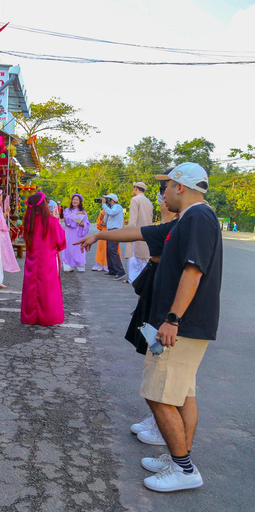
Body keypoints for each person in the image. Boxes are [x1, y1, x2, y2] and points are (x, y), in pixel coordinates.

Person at [76, 162, 222, 492]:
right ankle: (178, 458)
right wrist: (98, 234)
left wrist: (172, 319)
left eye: (167, 186)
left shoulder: (198, 218)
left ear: (180, 187)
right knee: (182, 394)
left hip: (181, 326)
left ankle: (184, 469)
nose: (164, 193)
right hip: (186, 325)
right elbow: (138, 233)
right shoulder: (185, 221)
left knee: (158, 395)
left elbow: (193, 271)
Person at [126, 175, 178, 447]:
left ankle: (163, 425)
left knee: (163, 368)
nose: (161, 199)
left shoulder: (178, 225)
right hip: (155, 288)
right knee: (152, 358)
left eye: (165, 192)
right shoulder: (166, 224)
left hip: (167, 300)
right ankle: (157, 419)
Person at [20, 192, 66, 325]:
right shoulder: (51, 221)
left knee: (31, 289)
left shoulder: (28, 223)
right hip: (48, 261)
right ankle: (48, 317)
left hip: (31, 261)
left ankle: (30, 317)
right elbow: (61, 241)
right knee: (48, 290)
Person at [124, 182, 154, 284]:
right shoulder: (149, 201)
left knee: (133, 258)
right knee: (144, 259)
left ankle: (134, 281)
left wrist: (128, 233)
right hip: (146, 233)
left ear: (136, 188)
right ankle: (143, 281)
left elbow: (133, 220)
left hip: (136, 233)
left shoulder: (135, 200)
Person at [61, 193, 90, 272]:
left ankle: (80, 265)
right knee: (69, 248)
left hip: (79, 233)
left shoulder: (83, 211)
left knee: (78, 248)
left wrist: (83, 224)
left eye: (77, 200)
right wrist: (76, 214)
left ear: (80, 202)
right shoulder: (67, 210)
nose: (75, 201)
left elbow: (87, 223)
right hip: (69, 232)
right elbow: (66, 220)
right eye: (74, 199)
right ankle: (68, 265)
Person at [101, 193, 126, 280]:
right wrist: (103, 221)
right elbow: (106, 219)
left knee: (113, 250)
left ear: (112, 200)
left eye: (107, 200)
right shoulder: (110, 208)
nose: (106, 201)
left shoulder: (117, 207)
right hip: (110, 230)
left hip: (116, 230)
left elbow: (111, 213)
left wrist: (104, 205)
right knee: (109, 250)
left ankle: (120, 271)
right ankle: (112, 270)